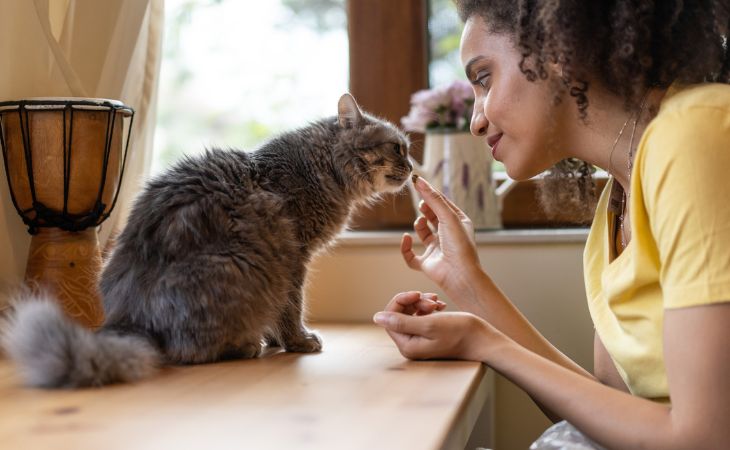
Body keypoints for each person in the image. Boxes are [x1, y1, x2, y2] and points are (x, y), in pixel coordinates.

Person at [372, 1, 730, 449]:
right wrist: (467, 283)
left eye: (484, 79)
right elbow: (610, 413)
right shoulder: (615, 206)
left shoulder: (698, 132)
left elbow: (704, 437)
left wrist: (484, 343)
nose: (476, 121)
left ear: (556, 48)